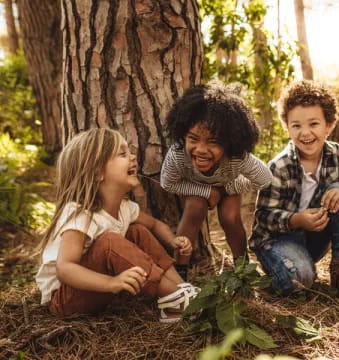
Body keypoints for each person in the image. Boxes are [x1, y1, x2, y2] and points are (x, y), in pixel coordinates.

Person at [36, 128, 198, 323]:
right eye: (122, 154)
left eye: (129, 152)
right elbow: (65, 268)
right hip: (65, 298)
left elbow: (154, 225)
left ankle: (180, 290)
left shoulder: (125, 208)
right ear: (97, 172)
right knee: (110, 241)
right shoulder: (80, 214)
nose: (132, 157)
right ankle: (175, 298)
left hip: (94, 290)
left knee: (137, 231)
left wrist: (173, 241)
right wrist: (111, 283)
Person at [249, 80, 339, 303]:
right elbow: (264, 216)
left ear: (329, 125)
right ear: (287, 128)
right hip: (277, 241)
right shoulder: (279, 166)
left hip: (315, 238)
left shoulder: (335, 154)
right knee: (300, 279)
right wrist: (297, 220)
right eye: (296, 126)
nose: (305, 133)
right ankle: (282, 271)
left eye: (313, 124)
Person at [160, 81, 272, 277]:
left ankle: (242, 267)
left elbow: (264, 179)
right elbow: (167, 183)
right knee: (195, 208)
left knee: (230, 217)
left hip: (227, 185)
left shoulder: (237, 158)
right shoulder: (178, 153)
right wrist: (206, 191)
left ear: (230, 142)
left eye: (213, 142)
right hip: (194, 187)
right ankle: (180, 269)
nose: (201, 149)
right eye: (193, 139)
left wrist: (228, 188)